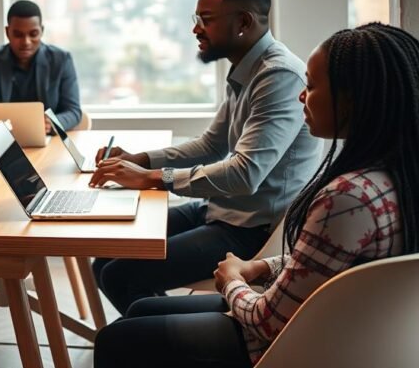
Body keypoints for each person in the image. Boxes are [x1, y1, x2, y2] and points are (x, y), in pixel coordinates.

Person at [94, 22, 418, 367]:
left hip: (287, 342)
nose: (301, 96)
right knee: (140, 306)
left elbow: (268, 321)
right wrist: (261, 266)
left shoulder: (347, 199)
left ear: (352, 100)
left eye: (311, 85)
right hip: (328, 326)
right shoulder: (392, 177)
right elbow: (326, 263)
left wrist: (232, 279)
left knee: (117, 338)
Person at [89, 0, 323, 316]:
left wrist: (152, 179)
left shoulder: (278, 76)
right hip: (223, 209)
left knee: (122, 276)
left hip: (253, 230)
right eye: (196, 18)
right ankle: (159, 337)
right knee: (105, 260)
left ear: (243, 22)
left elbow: (245, 175)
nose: (195, 28)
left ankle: (178, 342)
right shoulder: (247, 70)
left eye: (206, 19)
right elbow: (211, 145)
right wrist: (140, 160)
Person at [0, 0, 82, 299]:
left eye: (34, 34)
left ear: (42, 31)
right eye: (18, 34)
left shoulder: (61, 59)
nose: (26, 42)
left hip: (47, 151)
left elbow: (74, 111)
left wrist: (52, 122)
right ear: (7, 32)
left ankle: (26, 260)